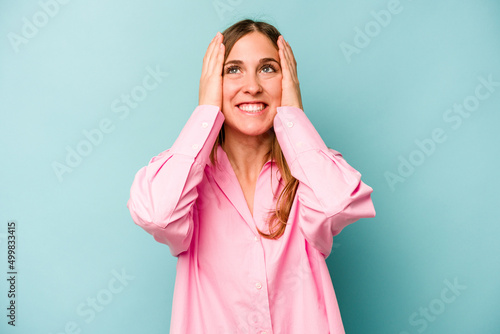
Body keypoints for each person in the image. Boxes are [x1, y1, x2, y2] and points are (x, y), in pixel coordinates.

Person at [127, 18, 376, 334]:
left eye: (268, 68)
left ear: (287, 80)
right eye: (233, 70)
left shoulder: (309, 175)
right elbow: (158, 215)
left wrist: (293, 114)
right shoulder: (186, 178)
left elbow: (338, 205)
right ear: (212, 82)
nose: (253, 86)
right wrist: (206, 110)